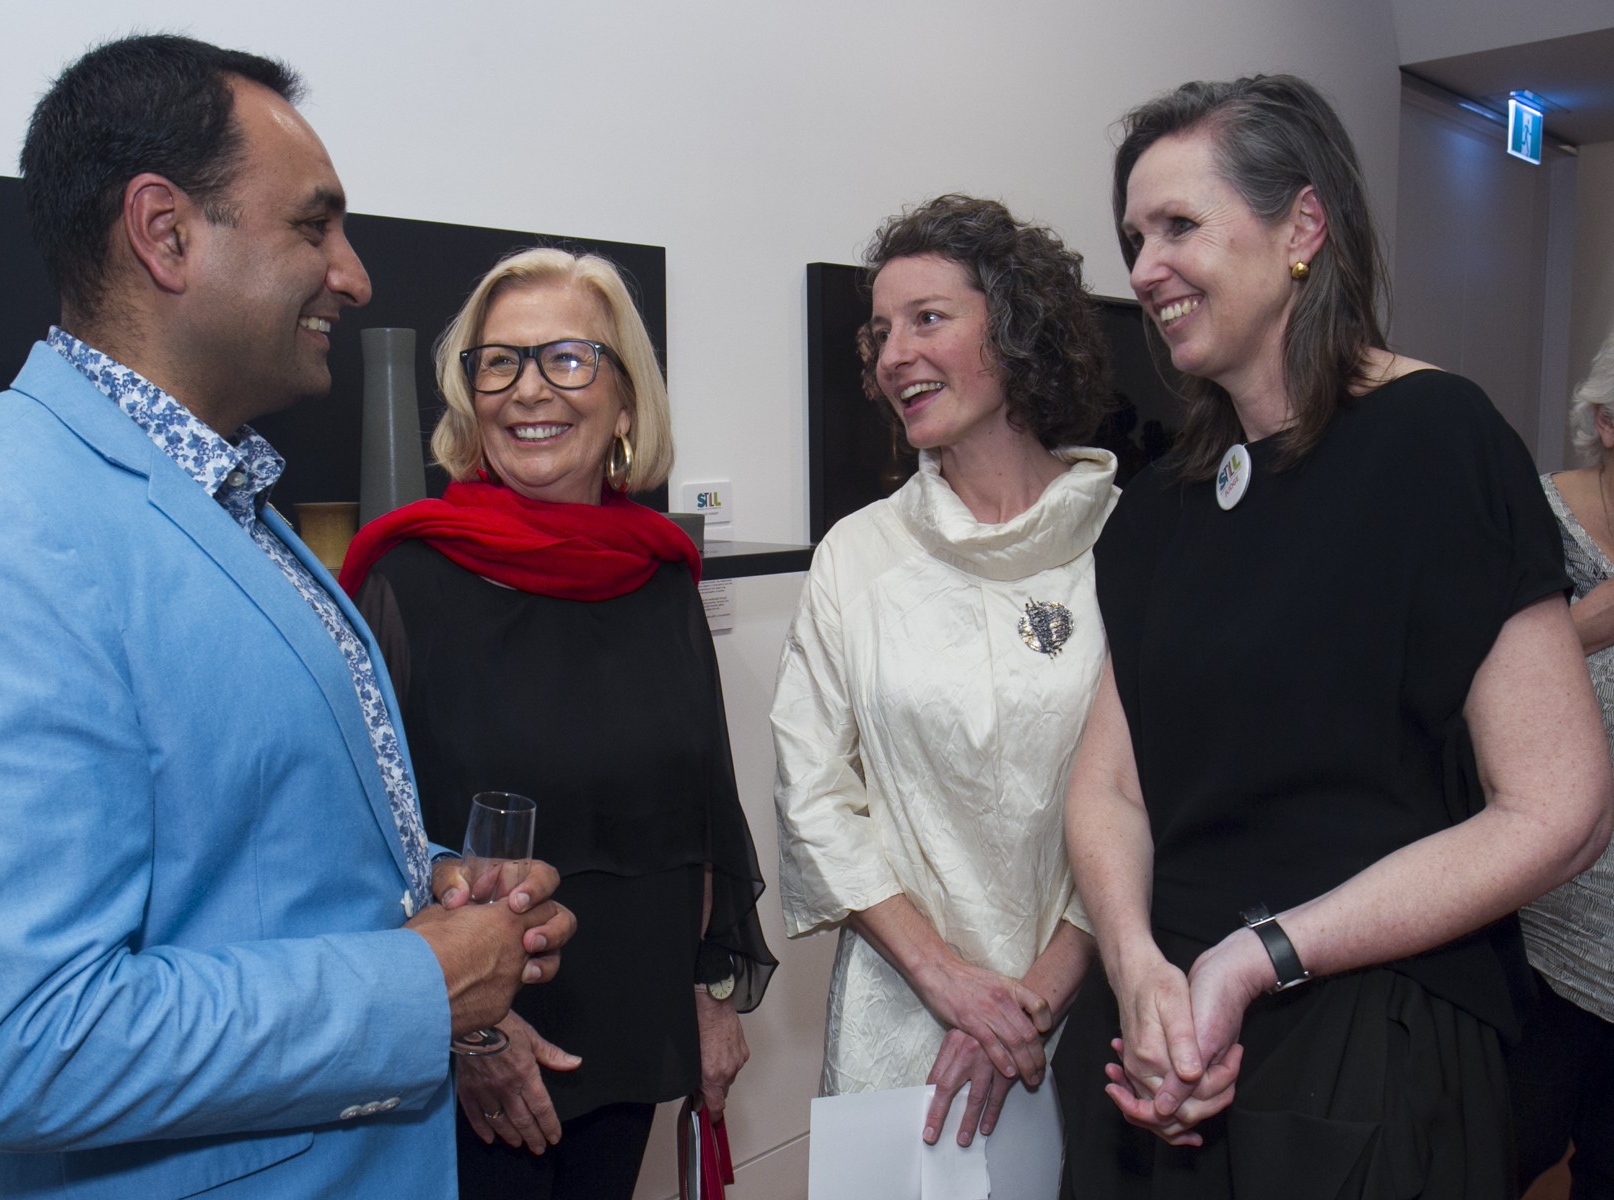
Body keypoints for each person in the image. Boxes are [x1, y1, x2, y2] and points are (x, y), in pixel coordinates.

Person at [0, 34, 574, 1200]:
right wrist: (422, 986)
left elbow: (245, 850)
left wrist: (433, 891)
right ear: (165, 233)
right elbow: (25, 1043)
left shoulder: (223, 498)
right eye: (314, 227)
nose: (356, 275)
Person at [1054, 74, 1614, 1199]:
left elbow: (1560, 811)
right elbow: (1107, 788)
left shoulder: (1435, 442)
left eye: (1180, 226)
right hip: (1158, 1046)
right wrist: (1137, 966)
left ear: (1304, 226)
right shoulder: (1161, 503)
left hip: (1368, 1043)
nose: (1145, 268)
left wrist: (1261, 957)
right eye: (1132, 237)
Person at [337, 246, 776, 1200]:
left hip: (631, 1033)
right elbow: (349, 849)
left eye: (568, 358)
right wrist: (472, 1032)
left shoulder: (660, 576)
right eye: (500, 362)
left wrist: (702, 998)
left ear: (626, 401)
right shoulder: (401, 581)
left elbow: (701, 805)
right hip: (478, 1052)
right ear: (469, 396)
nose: (529, 389)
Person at [771, 194, 1114, 1169]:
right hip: (900, 1004)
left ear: (1014, 328)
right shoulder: (858, 556)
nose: (893, 354)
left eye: (929, 318)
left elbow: (1156, 787)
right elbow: (813, 791)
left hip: (1086, 1007)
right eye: (881, 331)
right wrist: (950, 982)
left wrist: (1038, 992)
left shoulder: (1124, 546)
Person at [1506, 328, 1614, 1199]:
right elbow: (1461, 686)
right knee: (1510, 1145)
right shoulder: (1532, 520)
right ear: (1606, 421)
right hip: (1545, 929)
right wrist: (1592, 623)